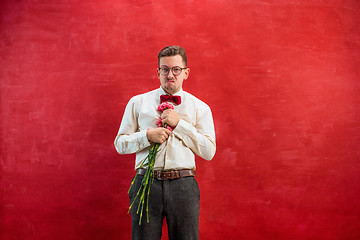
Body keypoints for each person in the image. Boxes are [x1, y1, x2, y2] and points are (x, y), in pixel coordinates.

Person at [114, 46, 216, 240]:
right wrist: (146, 136)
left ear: (186, 73)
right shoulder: (137, 103)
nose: (170, 74)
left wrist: (180, 125)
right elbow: (120, 143)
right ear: (158, 72)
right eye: (165, 69)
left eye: (176, 69)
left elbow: (209, 151)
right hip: (145, 183)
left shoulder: (200, 108)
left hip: (184, 185)